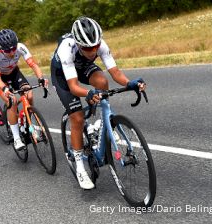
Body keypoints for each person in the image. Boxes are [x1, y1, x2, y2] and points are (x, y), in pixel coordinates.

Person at [51, 17, 146, 189]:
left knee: (102, 83)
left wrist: (129, 83)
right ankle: (80, 167)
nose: (93, 50)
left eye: (96, 46)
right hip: (63, 75)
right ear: (79, 44)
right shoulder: (66, 49)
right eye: (88, 48)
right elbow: (73, 86)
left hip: (83, 67)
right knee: (78, 119)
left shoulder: (100, 45)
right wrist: (88, 93)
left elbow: (115, 72)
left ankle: (102, 124)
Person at [0, 29, 48, 151]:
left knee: (30, 94)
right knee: (12, 101)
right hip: (0, 78)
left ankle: (29, 121)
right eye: (7, 50)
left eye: (13, 48)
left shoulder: (21, 47)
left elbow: (33, 65)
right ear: (1, 48)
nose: (11, 52)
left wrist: (41, 78)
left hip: (14, 73)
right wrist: (5, 89)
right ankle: (16, 138)